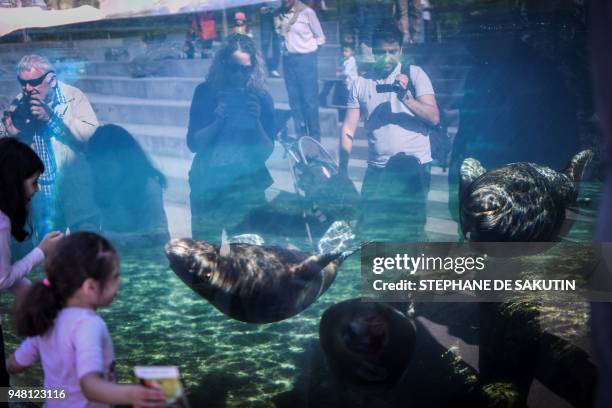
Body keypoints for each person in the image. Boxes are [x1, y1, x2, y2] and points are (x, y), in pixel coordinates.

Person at [7, 232, 167, 408]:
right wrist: (132, 394)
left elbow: (15, 364)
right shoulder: (88, 325)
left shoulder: (48, 316)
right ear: (90, 287)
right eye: (114, 276)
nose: (119, 281)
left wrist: (17, 394)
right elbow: (89, 386)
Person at [339, 24, 439, 240]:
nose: (387, 58)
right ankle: (380, 272)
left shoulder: (414, 74)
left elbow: (433, 117)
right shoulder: (360, 83)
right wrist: (342, 169)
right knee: (371, 228)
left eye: (392, 52)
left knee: (412, 230)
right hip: (378, 167)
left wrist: (406, 97)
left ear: (401, 51)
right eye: (382, 52)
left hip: (415, 166)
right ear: (373, 53)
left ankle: (412, 273)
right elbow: (348, 128)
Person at [186, 33, 276, 240]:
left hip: (245, 186)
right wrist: (217, 122)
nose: (238, 75)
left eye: (245, 69)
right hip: (208, 184)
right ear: (223, 64)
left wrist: (256, 123)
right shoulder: (206, 92)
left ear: (254, 68)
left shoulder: (261, 98)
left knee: (246, 256)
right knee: (206, 256)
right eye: (233, 68)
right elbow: (193, 144)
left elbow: (266, 151)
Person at [1, 54, 99, 240]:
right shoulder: (19, 102)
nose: (27, 89)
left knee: (87, 243)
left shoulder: (73, 96)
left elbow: (91, 136)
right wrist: (11, 133)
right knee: (49, 250)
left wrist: (51, 118)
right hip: (41, 191)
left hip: (74, 184)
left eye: (34, 82)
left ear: (52, 80)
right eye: (22, 83)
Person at [0, 138, 62, 402]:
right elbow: (2, 278)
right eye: (33, 182)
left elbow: (13, 365)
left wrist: (36, 294)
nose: (36, 190)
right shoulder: (88, 329)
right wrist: (41, 252)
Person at [86, 124, 170, 247]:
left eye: (105, 169)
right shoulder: (103, 184)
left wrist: (104, 237)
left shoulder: (148, 187)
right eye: (95, 168)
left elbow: (156, 240)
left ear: (125, 161)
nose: (99, 176)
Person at [275, 0, 325, 140]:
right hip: (288, 60)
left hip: (305, 60)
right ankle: (301, 138)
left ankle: (315, 138)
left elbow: (320, 38)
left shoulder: (307, 12)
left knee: (309, 101)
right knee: (294, 101)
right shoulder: (278, 14)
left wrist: (308, 52)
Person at [260, 2, 282, 77]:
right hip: (265, 14)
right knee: (265, 43)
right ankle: (262, 67)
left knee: (277, 44)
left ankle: (273, 68)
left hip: (278, 13)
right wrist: (261, 6)